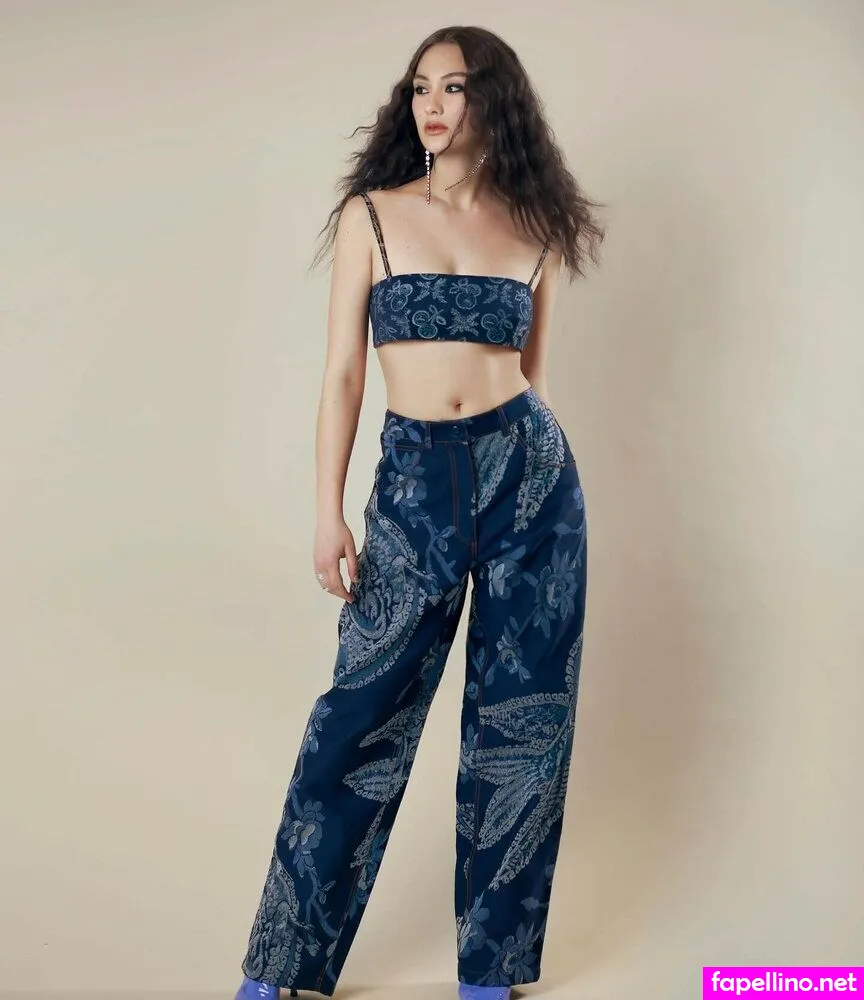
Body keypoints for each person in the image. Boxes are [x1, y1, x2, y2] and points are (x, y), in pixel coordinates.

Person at [234, 24, 604, 1000]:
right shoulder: (373, 215)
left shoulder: (538, 227)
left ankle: (493, 968)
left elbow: (535, 380)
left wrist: (541, 481)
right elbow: (343, 375)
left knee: (522, 728)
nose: (433, 105)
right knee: (358, 718)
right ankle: (282, 962)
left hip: (532, 485)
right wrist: (328, 512)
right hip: (412, 486)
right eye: (421, 88)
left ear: (495, 100)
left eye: (456, 87)